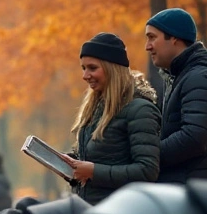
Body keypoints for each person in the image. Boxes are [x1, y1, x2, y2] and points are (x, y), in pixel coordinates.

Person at [59, 33, 160, 205]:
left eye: (92, 68)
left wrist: (93, 172)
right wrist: (72, 163)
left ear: (112, 68)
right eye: (83, 68)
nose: (85, 75)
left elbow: (147, 171)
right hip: (92, 210)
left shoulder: (140, 110)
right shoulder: (96, 109)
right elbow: (101, 157)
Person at [144, 8, 207, 183]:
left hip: (191, 192)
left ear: (174, 38)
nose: (147, 46)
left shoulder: (198, 78)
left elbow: (193, 138)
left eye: (152, 37)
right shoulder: (180, 77)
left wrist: (147, 154)